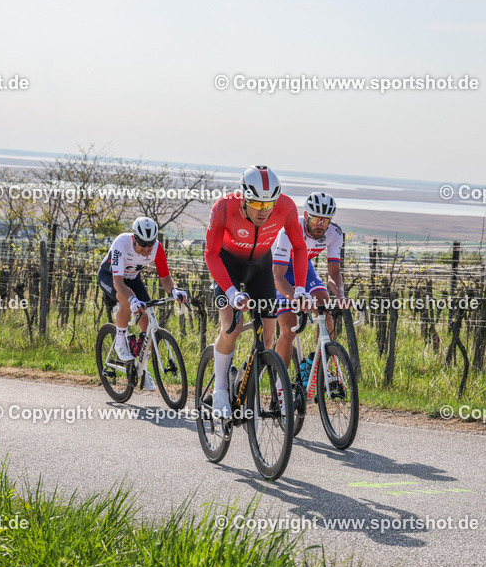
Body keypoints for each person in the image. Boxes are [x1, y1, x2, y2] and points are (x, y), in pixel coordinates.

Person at [205, 165, 310, 418]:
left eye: (269, 205)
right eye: (257, 204)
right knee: (232, 326)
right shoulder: (223, 208)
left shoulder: (285, 207)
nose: (264, 211)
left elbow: (300, 247)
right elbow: (210, 254)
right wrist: (231, 292)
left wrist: (300, 289)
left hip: (260, 266)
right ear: (243, 197)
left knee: (269, 338)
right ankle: (220, 389)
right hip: (227, 266)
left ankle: (243, 381)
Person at [98, 217, 188, 390]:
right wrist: (131, 300)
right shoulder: (121, 244)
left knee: (146, 320)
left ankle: (143, 370)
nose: (147, 249)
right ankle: (120, 341)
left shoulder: (157, 248)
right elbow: (118, 283)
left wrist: (174, 291)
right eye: (143, 245)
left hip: (132, 278)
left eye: (150, 244)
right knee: (126, 301)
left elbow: (166, 278)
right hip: (110, 277)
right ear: (134, 239)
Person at [272, 192, 347, 369]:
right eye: (315, 219)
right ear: (306, 215)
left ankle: (316, 369)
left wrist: (341, 295)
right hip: (280, 271)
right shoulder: (288, 230)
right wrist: (296, 299)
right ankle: (280, 386)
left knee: (324, 306)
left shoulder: (334, 233)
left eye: (325, 220)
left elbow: (334, 272)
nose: (320, 225)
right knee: (289, 328)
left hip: (303, 268)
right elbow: (278, 276)